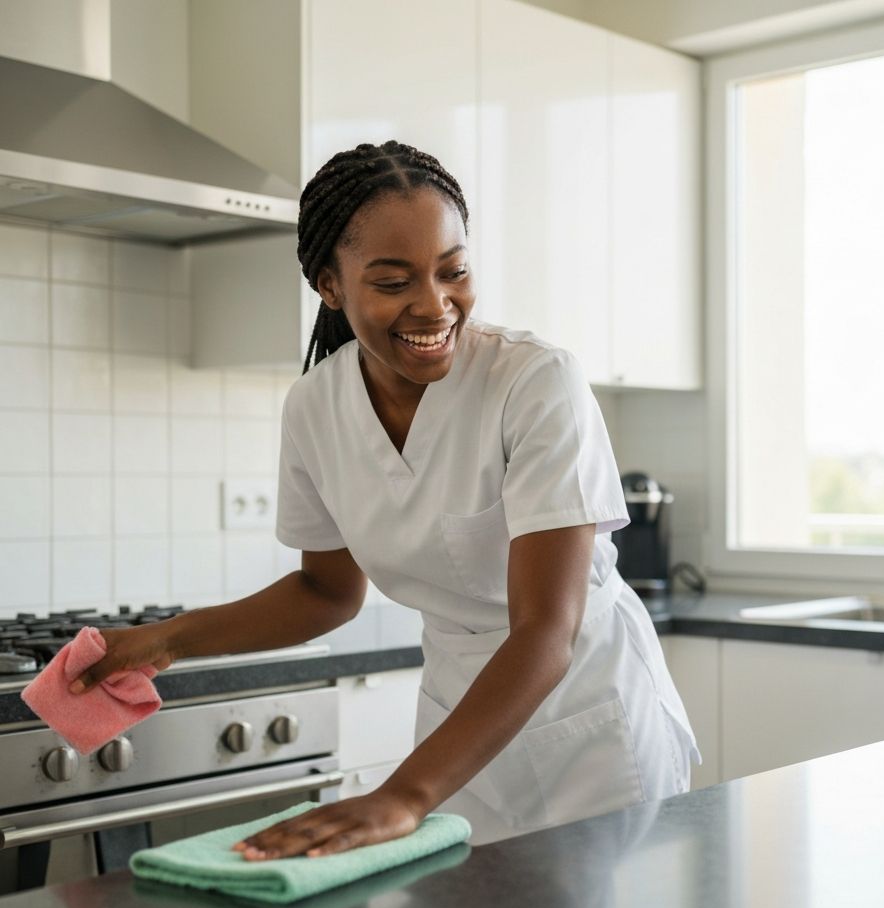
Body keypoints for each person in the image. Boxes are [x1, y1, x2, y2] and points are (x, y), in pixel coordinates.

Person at [69, 141, 701, 854]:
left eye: (453, 272)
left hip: (586, 711)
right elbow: (325, 590)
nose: (435, 305)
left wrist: (403, 794)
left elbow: (545, 630)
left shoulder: (534, 382)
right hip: (457, 723)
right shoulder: (315, 407)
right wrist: (168, 639)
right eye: (393, 282)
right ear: (330, 285)